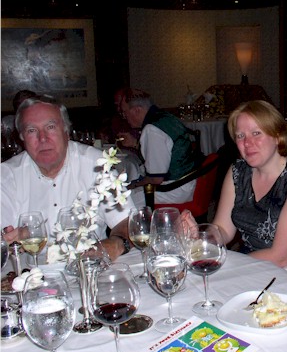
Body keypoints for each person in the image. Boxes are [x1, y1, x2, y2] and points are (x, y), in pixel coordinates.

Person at [181, 100, 287, 275]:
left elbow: (280, 257)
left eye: (256, 133)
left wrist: (224, 264)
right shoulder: (237, 172)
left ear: (277, 136)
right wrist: (200, 238)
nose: (247, 143)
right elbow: (223, 229)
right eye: (240, 136)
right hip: (252, 259)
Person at [1, 95, 134, 261]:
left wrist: (115, 243)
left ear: (66, 131)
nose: (42, 138)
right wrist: (10, 239)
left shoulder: (97, 165)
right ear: (21, 137)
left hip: (90, 266)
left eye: (50, 127)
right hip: (29, 271)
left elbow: (127, 222)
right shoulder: (7, 176)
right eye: (31, 130)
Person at [118, 88, 204, 204]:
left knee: (122, 201)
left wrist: (134, 185)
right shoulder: (165, 117)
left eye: (124, 112)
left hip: (174, 188)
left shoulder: (152, 129)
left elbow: (155, 179)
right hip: (187, 181)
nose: (124, 116)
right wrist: (135, 143)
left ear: (137, 110)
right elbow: (166, 151)